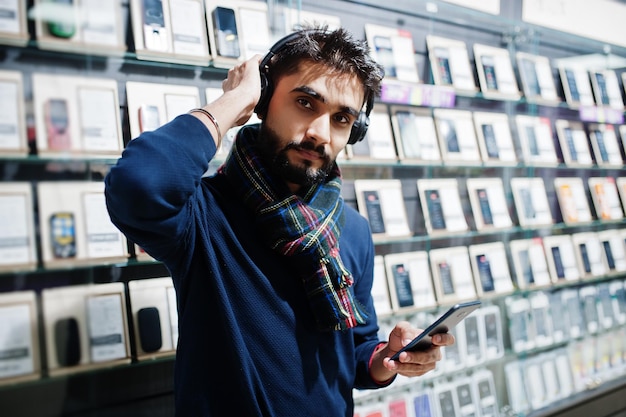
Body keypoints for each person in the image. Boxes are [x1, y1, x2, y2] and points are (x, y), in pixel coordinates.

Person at [105, 26, 454, 417]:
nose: (320, 133)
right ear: (264, 99)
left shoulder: (352, 229)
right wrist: (233, 100)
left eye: (341, 119)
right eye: (305, 103)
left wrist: (387, 358)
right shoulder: (202, 213)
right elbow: (139, 184)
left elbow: (355, 353)